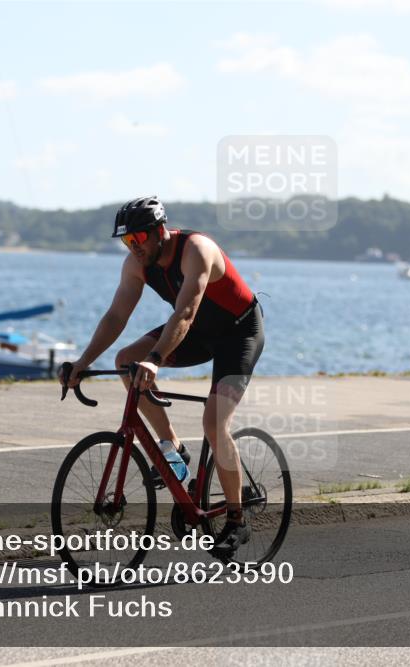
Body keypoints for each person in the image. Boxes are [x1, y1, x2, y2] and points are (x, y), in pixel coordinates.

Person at [61, 195, 264, 559]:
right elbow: (116, 316)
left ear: (159, 231)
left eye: (138, 238)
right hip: (197, 333)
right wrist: (82, 361)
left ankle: (236, 519)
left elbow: (185, 312)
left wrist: (155, 359)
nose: (133, 247)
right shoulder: (136, 264)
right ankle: (174, 449)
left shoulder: (196, 250)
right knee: (126, 361)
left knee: (214, 422)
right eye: (127, 241)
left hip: (238, 333)